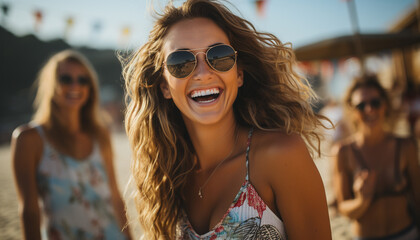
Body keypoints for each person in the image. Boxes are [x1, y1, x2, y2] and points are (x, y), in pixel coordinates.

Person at [122, 0, 332, 239]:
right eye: (181, 62)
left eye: (219, 55)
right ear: (164, 86)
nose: (203, 73)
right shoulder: (170, 176)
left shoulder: (281, 155)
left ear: (238, 74)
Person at [11, 50, 132, 240]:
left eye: (83, 80)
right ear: (50, 84)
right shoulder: (29, 139)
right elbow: (29, 211)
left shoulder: (100, 135)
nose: (76, 85)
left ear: (90, 87)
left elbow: (115, 196)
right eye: (66, 79)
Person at [333, 75, 420, 240]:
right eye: (361, 105)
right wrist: (362, 200)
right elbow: (343, 208)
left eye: (375, 102)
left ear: (385, 105)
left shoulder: (405, 146)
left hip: (407, 233)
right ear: (352, 110)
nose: (369, 110)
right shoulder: (343, 152)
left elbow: (418, 197)